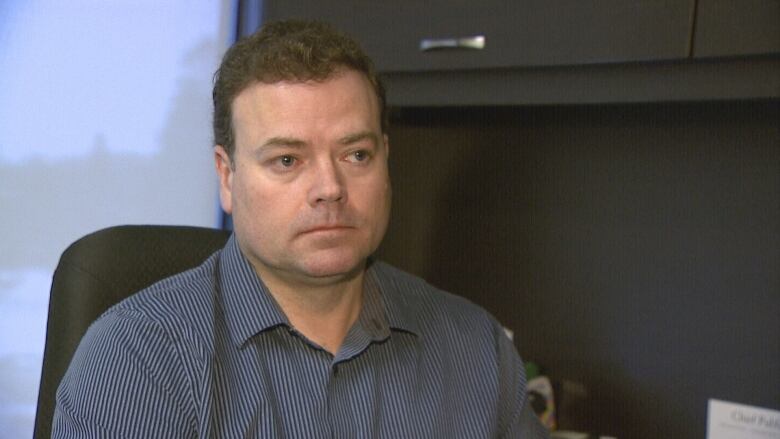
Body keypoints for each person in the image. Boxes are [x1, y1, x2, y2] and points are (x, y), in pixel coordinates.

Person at [53, 20, 549, 438]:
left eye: (356, 154)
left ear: (385, 162)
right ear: (227, 178)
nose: (329, 188)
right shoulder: (137, 360)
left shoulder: (476, 348)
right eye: (287, 160)